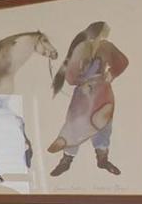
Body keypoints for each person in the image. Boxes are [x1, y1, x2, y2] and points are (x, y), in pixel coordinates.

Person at [47, 21, 128, 177]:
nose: (107, 32)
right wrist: (81, 83)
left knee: (104, 124)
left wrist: (112, 73)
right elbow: (70, 75)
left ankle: (102, 160)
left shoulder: (107, 46)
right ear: (99, 31)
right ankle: (66, 161)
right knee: (75, 125)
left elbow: (122, 61)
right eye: (105, 30)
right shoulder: (82, 48)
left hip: (103, 93)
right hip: (83, 96)